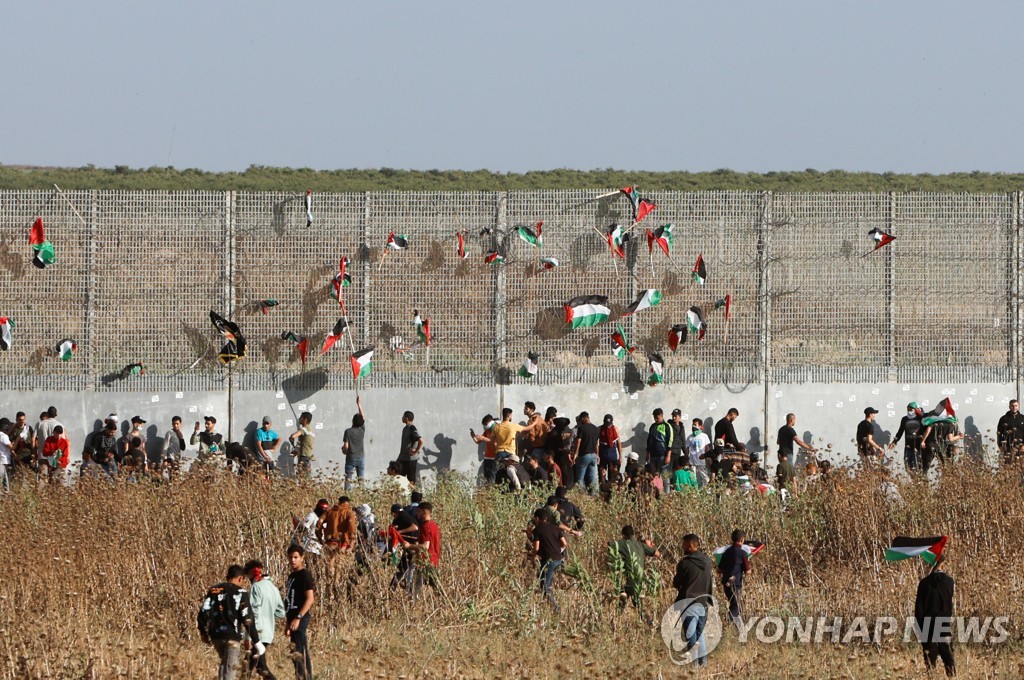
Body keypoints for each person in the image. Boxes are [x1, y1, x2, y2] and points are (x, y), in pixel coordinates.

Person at [197, 564, 264, 680]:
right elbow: (247, 618)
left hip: (216, 636)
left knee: (224, 666)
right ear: (240, 578)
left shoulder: (213, 590)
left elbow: (203, 612)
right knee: (229, 670)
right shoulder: (241, 592)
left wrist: (203, 632)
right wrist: (257, 641)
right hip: (232, 636)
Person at [672, 533, 714, 667]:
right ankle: (704, 664)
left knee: (690, 636)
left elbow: (676, 582)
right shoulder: (707, 561)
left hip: (689, 602)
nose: (682, 546)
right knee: (699, 634)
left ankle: (694, 666)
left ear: (690, 546)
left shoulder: (684, 563)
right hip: (703, 602)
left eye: (684, 544)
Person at [915, 555, 956, 676]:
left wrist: (919, 626)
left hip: (927, 621)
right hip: (944, 621)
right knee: (947, 653)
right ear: (943, 565)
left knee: (929, 654)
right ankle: (952, 676)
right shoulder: (949, 582)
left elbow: (919, 608)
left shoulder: (924, 583)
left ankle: (931, 676)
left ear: (930, 565)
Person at [244, 559, 285, 680]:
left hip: (257, 633)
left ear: (251, 573)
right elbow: (281, 613)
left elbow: (252, 614)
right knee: (250, 665)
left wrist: (248, 636)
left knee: (260, 667)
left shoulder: (255, 588)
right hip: (268, 632)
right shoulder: (273, 588)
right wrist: (268, 616)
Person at [284, 545, 315, 680]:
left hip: (300, 618)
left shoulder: (304, 575)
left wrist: (298, 617)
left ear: (302, 558)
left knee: (300, 651)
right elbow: (289, 601)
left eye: (296, 557)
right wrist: (287, 622)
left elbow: (310, 599)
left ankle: (306, 677)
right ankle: (299, 676)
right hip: (292, 618)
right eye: (290, 557)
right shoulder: (291, 576)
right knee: (294, 652)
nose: (293, 560)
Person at [609, 525, 659, 607]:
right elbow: (657, 554)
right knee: (638, 606)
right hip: (640, 579)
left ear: (623, 535)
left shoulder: (623, 543)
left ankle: (620, 611)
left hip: (629, 579)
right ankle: (645, 618)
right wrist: (648, 545)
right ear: (633, 534)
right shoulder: (641, 545)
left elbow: (606, 544)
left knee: (621, 598)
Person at [531, 509, 566, 609]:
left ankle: (556, 608)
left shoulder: (537, 530)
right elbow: (564, 543)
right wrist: (558, 552)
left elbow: (536, 547)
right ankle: (544, 604)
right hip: (558, 559)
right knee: (543, 579)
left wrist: (533, 558)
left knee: (545, 586)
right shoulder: (555, 528)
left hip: (548, 560)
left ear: (537, 518)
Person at [717, 528, 751, 623]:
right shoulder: (743, 553)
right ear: (742, 540)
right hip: (736, 583)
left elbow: (718, 570)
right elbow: (748, 572)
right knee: (736, 605)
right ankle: (729, 623)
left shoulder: (726, 552)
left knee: (733, 604)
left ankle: (730, 623)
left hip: (726, 583)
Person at [890, 403, 925, 472]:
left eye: (911, 409)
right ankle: (914, 481)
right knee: (908, 468)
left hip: (918, 448)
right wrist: (894, 442)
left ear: (916, 410)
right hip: (908, 447)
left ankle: (917, 482)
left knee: (917, 468)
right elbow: (900, 431)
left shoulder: (920, 419)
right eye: (908, 409)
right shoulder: (904, 419)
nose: (909, 411)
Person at [572, 411, 600, 495]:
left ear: (584, 418)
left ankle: (580, 495)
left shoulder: (582, 428)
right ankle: (593, 495)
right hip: (593, 456)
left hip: (584, 455)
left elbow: (579, 441)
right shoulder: (595, 428)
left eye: (581, 419)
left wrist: (575, 453)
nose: (580, 421)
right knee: (592, 477)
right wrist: (597, 455)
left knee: (580, 477)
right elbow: (596, 444)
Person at [341, 396, 366, 490]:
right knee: (361, 479)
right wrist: (359, 404)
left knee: (348, 479)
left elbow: (346, 447)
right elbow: (362, 416)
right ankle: (362, 494)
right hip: (361, 457)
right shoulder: (362, 429)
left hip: (351, 457)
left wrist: (343, 450)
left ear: (353, 421)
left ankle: (347, 495)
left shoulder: (348, 431)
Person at [547, 415, 574, 490]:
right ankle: (566, 486)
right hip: (562, 454)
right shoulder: (564, 431)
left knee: (562, 470)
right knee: (565, 470)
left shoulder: (555, 432)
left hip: (559, 454)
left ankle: (563, 486)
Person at [645, 408, 674, 478]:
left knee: (665, 476)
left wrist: (668, 455)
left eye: (657, 418)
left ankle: (666, 489)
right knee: (653, 476)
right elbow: (649, 440)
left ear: (661, 416)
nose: (655, 420)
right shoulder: (653, 426)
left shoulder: (667, 426)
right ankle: (655, 489)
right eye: (654, 418)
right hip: (653, 455)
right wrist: (647, 453)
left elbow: (670, 441)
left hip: (663, 455)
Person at [470, 414, 498, 484]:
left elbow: (496, 444)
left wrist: (483, 438)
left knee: (493, 478)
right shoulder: (487, 431)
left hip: (495, 458)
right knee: (487, 478)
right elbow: (478, 442)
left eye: (486, 424)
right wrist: (473, 436)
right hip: (487, 457)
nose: (485, 427)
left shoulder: (498, 430)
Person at [397, 411, 423, 484]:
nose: (402, 418)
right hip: (403, 459)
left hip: (410, 460)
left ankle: (413, 494)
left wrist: (415, 451)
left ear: (406, 418)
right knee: (398, 478)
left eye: (403, 416)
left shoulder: (412, 428)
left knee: (411, 481)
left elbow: (421, 441)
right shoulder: (405, 428)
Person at [996, 399, 1024, 466]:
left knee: (1020, 466)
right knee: (1008, 465)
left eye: (1016, 406)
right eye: (1012, 406)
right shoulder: (1004, 419)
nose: (1014, 408)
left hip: (1020, 447)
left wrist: (1023, 445)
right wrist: (1000, 445)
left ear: (1018, 406)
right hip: (1008, 446)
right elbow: (999, 433)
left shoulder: (1022, 418)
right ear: (1009, 406)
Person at [685, 418, 712, 488]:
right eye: (692, 425)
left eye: (695, 425)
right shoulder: (689, 437)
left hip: (701, 462)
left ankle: (705, 492)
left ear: (700, 426)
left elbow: (707, 448)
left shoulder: (704, 436)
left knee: (706, 478)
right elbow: (687, 449)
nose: (693, 427)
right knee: (693, 479)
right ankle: (695, 493)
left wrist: (708, 458)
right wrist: (686, 460)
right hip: (692, 462)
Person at [597, 414, 622, 482]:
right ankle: (603, 489)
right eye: (606, 424)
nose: (608, 426)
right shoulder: (599, 429)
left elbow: (618, 443)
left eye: (609, 424)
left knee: (613, 475)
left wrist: (620, 456)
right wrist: (597, 455)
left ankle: (611, 490)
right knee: (602, 473)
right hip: (603, 454)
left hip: (612, 454)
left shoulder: (615, 429)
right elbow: (597, 443)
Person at [0, 418, 11, 492]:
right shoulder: (3, 436)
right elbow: (12, 447)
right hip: (2, 461)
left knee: (5, 480)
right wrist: (19, 438)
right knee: (4, 481)